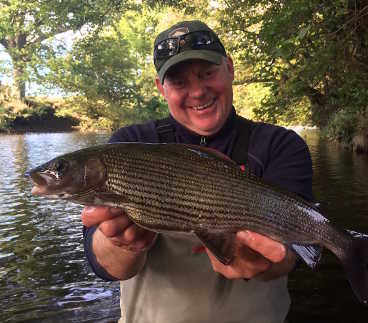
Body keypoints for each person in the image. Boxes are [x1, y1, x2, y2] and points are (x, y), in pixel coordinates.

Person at [82, 20, 313, 323]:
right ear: (161, 88)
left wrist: (268, 261)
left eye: (207, 74)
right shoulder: (130, 145)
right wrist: (121, 242)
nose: (198, 92)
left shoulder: (281, 145)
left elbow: (295, 251)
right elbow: (104, 267)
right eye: (179, 82)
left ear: (230, 69)